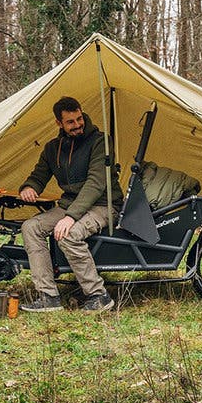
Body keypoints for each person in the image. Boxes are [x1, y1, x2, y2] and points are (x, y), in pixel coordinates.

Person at [17, 97, 124, 313]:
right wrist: (29, 187)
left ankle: (98, 296)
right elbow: (39, 175)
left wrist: (70, 217)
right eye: (70, 122)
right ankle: (48, 296)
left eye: (79, 119)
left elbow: (96, 183)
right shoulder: (52, 148)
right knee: (31, 227)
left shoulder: (100, 141)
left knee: (68, 235)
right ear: (59, 123)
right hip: (71, 205)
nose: (77, 125)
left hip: (104, 204)